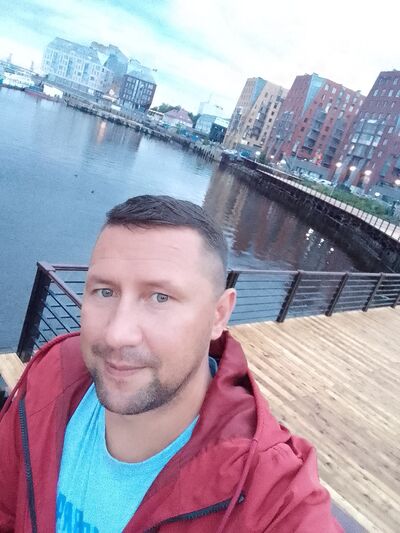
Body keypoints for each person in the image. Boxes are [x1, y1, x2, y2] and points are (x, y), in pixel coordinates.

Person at [0, 195, 342, 532]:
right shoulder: (53, 373)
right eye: (105, 291)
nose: (117, 334)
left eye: (160, 297)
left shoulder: (271, 495)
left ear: (218, 315)